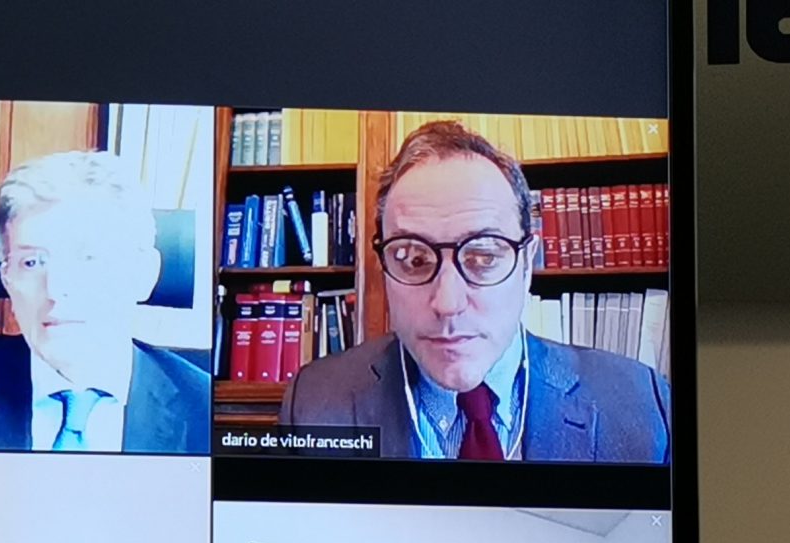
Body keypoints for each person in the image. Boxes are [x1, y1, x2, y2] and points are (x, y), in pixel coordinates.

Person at [279, 122, 670, 461]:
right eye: (414, 259)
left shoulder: (643, 406)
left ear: (527, 264)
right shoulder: (313, 405)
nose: (448, 304)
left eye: (483, 257)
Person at [0, 152, 209, 453]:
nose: (56, 289)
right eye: (32, 262)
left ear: (143, 274)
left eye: (88, 258)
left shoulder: (205, 410)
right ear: (7, 278)